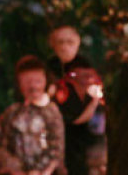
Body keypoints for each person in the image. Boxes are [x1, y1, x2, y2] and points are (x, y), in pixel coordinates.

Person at [47, 24, 105, 175]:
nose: (65, 47)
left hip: (80, 131)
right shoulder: (49, 67)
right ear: (53, 45)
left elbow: (95, 103)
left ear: (77, 42)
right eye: (60, 42)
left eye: (70, 42)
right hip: (52, 130)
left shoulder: (86, 67)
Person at [0, 55, 64, 175]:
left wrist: (43, 171)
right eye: (27, 82)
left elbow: (57, 148)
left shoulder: (52, 112)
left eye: (38, 81)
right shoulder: (11, 113)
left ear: (45, 81)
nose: (33, 86)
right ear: (19, 84)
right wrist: (14, 169)